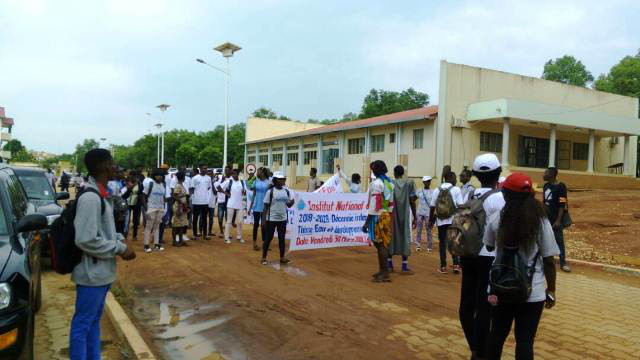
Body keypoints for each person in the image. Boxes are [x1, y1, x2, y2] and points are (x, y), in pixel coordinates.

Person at [484, 173, 559, 359]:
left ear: (506, 195)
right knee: (525, 341)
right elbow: (549, 260)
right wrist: (551, 290)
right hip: (531, 293)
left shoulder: (496, 218)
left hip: (500, 288)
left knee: (497, 336)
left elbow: (489, 245)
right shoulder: (540, 221)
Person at [70, 149, 135, 360]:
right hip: (91, 274)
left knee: (92, 321)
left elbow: (101, 231)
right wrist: (120, 248)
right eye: (112, 163)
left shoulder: (101, 194)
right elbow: (85, 239)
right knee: (83, 325)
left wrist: (117, 238)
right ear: (103, 167)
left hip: (100, 272)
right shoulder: (90, 197)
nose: (115, 167)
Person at [459, 153, 505, 360]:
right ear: (499, 173)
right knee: (484, 306)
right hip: (489, 256)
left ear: (476, 174)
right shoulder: (500, 198)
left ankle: (474, 348)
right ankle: (482, 351)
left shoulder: (468, 195)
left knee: (466, 304)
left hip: (468, 253)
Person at [362, 160, 395, 283]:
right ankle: (382, 270)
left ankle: (385, 273)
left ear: (377, 170)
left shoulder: (376, 184)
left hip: (377, 217)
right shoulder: (389, 183)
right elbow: (391, 204)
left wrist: (366, 222)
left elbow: (374, 205)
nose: (372, 171)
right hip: (386, 215)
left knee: (380, 245)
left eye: (373, 169)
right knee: (381, 245)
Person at [430, 171, 464, 274]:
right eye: (455, 178)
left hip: (440, 221)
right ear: (451, 178)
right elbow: (460, 205)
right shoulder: (456, 189)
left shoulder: (437, 190)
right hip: (453, 220)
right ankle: (456, 265)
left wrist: (431, 220)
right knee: (454, 242)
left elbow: (432, 206)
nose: (456, 180)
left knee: (442, 243)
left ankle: (443, 266)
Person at [388, 165, 417, 275]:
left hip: (393, 214)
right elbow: (412, 200)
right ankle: (404, 267)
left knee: (391, 236)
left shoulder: (391, 183)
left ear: (394, 173)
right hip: (405, 214)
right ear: (403, 173)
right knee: (405, 236)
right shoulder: (409, 183)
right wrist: (415, 216)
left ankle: (390, 265)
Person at [261, 171, 294, 265]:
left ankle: (282, 258)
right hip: (271, 219)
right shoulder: (270, 192)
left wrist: (293, 201)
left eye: (283, 179)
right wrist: (263, 220)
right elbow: (265, 207)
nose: (283, 180)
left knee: (282, 238)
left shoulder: (286, 191)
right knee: (268, 238)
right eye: (280, 179)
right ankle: (263, 257)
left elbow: (289, 205)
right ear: (276, 180)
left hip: (283, 219)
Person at [543, 167, 571, 273]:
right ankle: (545, 260)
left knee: (559, 241)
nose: (544, 175)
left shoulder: (561, 186)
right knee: (544, 239)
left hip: (556, 219)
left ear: (552, 175)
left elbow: (562, 204)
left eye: (546, 173)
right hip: (546, 218)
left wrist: (558, 220)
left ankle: (563, 263)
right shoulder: (546, 186)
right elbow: (544, 202)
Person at [220, 168, 246, 244]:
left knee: (240, 221)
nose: (233, 175)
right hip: (231, 204)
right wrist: (226, 194)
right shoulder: (229, 181)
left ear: (238, 174)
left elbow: (244, 192)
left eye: (235, 174)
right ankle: (226, 237)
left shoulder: (242, 182)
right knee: (229, 221)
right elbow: (218, 187)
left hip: (240, 204)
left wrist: (244, 194)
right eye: (232, 174)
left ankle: (239, 236)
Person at [143, 169, 166, 253]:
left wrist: (163, 207)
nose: (159, 177)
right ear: (154, 176)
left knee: (157, 227)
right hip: (151, 208)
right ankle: (146, 245)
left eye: (160, 175)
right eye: (157, 175)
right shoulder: (150, 184)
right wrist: (146, 208)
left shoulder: (163, 185)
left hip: (160, 208)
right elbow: (143, 196)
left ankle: (156, 244)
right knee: (148, 227)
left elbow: (163, 197)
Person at [250, 167, 270, 251]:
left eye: (258, 172)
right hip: (256, 207)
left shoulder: (268, 183)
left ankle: (264, 243)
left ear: (263, 172)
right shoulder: (255, 182)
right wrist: (250, 206)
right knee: (255, 225)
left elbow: (270, 196)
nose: (257, 173)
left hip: (265, 207)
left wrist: (269, 208)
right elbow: (253, 195)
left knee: (264, 226)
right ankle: (254, 244)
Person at [191, 166, 211, 239]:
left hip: (205, 202)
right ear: (200, 169)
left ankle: (205, 234)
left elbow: (208, 188)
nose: (205, 169)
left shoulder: (208, 178)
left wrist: (207, 198)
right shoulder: (195, 178)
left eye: (206, 168)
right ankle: (194, 234)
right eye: (204, 168)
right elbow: (192, 189)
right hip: (196, 201)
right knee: (195, 218)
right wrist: (193, 199)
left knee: (204, 218)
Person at [121, 173, 144, 241]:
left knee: (135, 220)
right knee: (126, 220)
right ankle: (125, 235)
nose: (134, 178)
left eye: (134, 176)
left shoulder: (140, 185)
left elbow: (141, 194)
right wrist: (132, 185)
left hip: (137, 204)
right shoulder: (127, 183)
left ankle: (134, 236)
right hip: (128, 204)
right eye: (132, 177)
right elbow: (125, 193)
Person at [415, 176, 433, 252]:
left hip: (428, 213)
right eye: (426, 181)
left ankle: (429, 246)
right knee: (419, 229)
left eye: (429, 181)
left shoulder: (433, 191)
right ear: (423, 182)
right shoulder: (419, 190)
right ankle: (418, 245)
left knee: (428, 229)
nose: (427, 182)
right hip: (419, 212)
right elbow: (414, 198)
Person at [171, 171, 189, 247]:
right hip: (179, 206)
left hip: (182, 205)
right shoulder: (178, 185)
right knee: (176, 224)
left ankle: (180, 240)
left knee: (181, 224)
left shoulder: (180, 184)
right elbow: (174, 195)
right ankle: (175, 241)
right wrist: (182, 202)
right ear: (182, 177)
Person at [214, 167, 231, 238]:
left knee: (228, 218)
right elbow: (216, 188)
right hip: (221, 200)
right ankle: (221, 231)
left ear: (230, 171)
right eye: (225, 170)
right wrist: (225, 192)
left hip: (229, 201)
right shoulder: (220, 178)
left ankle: (227, 233)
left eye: (228, 170)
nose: (226, 172)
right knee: (220, 217)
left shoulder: (232, 179)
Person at [206, 169, 217, 237]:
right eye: (208, 174)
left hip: (212, 202)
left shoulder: (215, 183)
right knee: (202, 217)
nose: (209, 176)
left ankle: (209, 231)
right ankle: (201, 232)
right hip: (204, 202)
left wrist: (212, 183)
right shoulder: (204, 182)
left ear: (212, 175)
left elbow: (215, 192)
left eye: (211, 175)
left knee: (211, 218)